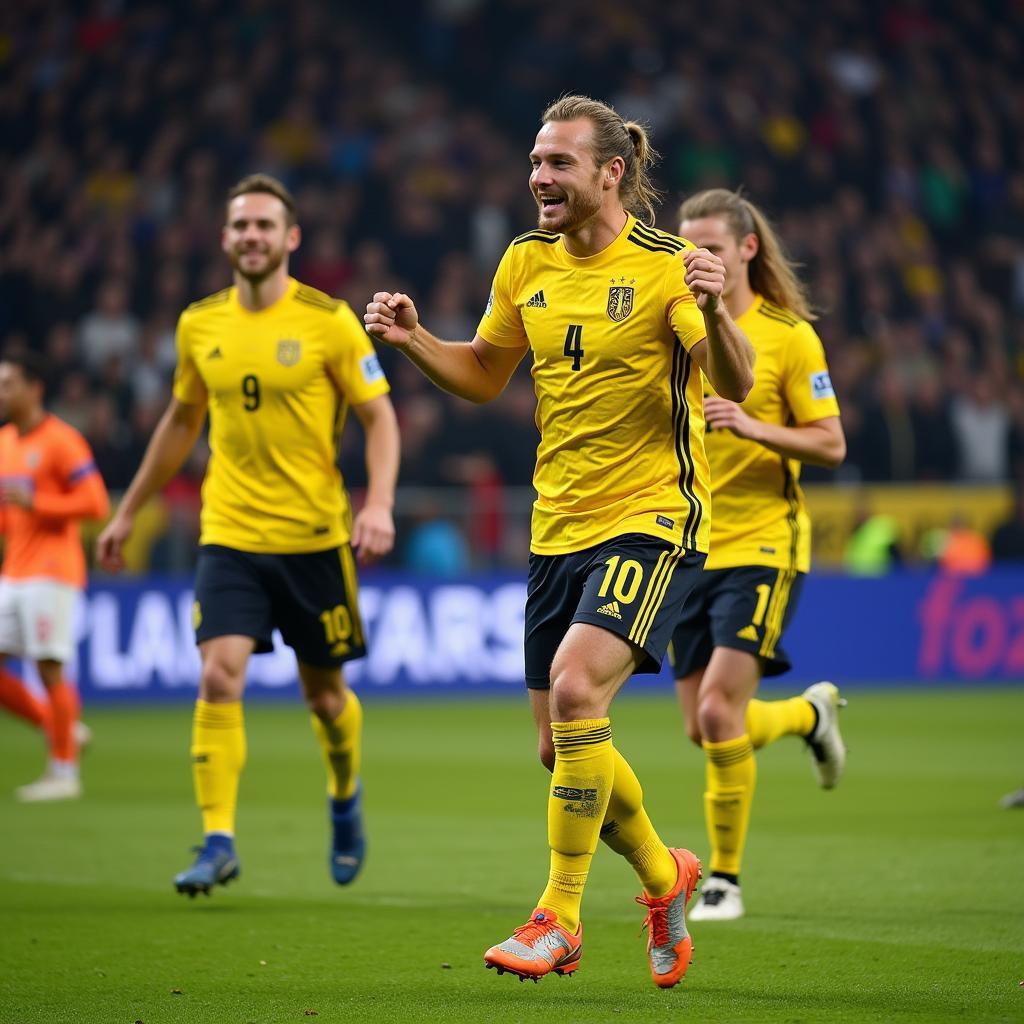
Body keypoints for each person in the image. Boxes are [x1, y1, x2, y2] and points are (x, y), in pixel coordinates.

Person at [365, 96, 755, 988]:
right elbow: (485, 372)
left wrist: (721, 309)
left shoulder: (666, 269)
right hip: (556, 528)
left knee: (580, 692)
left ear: (610, 172)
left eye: (560, 164)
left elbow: (736, 380)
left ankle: (560, 915)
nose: (540, 177)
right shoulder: (523, 261)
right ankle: (666, 877)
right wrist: (416, 338)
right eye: (536, 161)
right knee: (561, 746)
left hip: (650, 517)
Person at [97, 174, 400, 896]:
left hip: (314, 537)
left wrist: (379, 502)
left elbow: (380, 417)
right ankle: (217, 838)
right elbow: (180, 421)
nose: (252, 237)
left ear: (290, 237)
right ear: (225, 238)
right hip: (229, 532)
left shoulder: (329, 321)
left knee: (325, 699)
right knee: (217, 673)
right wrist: (128, 509)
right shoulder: (198, 324)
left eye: (265, 225)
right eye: (240, 226)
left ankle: (344, 793)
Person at [667, 189, 848, 922]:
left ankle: (724, 882)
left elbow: (831, 444)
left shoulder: (789, 336)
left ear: (746, 249)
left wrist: (750, 424)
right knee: (704, 726)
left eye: (710, 246)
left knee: (717, 711)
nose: (696, 259)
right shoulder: (677, 328)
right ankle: (808, 718)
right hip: (687, 545)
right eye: (687, 247)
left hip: (765, 542)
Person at [0, 350, 109, 801]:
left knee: (49, 667)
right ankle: (60, 727)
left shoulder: (62, 440)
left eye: (8, 384)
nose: (1, 393)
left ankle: (64, 773)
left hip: (52, 570)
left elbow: (96, 504)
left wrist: (38, 504)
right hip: (15, 569)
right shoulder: (5, 440)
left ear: (34, 389)